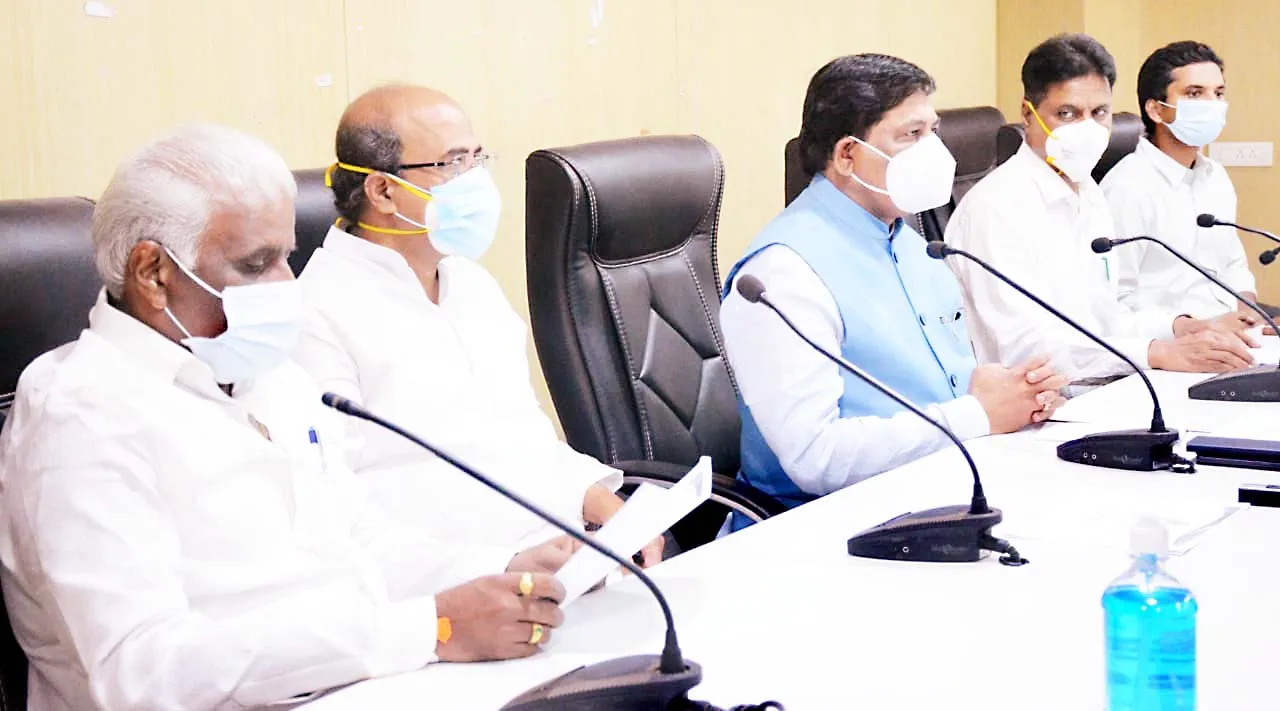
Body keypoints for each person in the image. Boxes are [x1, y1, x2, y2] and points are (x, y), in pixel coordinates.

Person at [0, 124, 580, 711]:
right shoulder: (81, 414)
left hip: (370, 688)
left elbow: (357, 544)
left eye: (286, 256)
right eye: (256, 264)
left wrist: (504, 569)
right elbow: (142, 671)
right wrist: (429, 630)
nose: (286, 284)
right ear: (153, 273)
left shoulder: (270, 377)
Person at [294, 85, 662, 563]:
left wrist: (609, 508)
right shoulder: (315, 312)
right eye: (451, 164)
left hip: (565, 560)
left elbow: (524, 438)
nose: (474, 181)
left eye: (476, 159)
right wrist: (496, 569)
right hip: (455, 588)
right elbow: (334, 511)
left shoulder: (472, 285)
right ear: (383, 191)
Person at [718, 54, 1068, 526]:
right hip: (822, 528)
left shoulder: (914, 246)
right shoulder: (782, 274)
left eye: (933, 131)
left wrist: (1010, 392)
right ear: (848, 154)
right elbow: (814, 457)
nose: (934, 151)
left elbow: (932, 388)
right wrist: (977, 415)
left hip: (940, 493)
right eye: (911, 134)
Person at [945, 34, 1257, 385]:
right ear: (1028, 115)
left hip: (1103, 380)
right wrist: (1154, 352)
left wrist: (1179, 327)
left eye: (1099, 113)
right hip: (1039, 397)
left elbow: (1106, 317)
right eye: (1067, 114)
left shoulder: (1087, 193)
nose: (1087, 129)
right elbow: (1024, 348)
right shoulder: (996, 208)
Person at [1101, 41, 1262, 320]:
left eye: (1218, 93)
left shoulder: (1216, 176)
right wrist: (1190, 328)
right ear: (1156, 110)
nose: (1212, 104)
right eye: (1194, 93)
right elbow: (1114, 299)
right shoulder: (1127, 187)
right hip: (1173, 337)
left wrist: (1252, 315)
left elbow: (1234, 264)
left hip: (1233, 327)